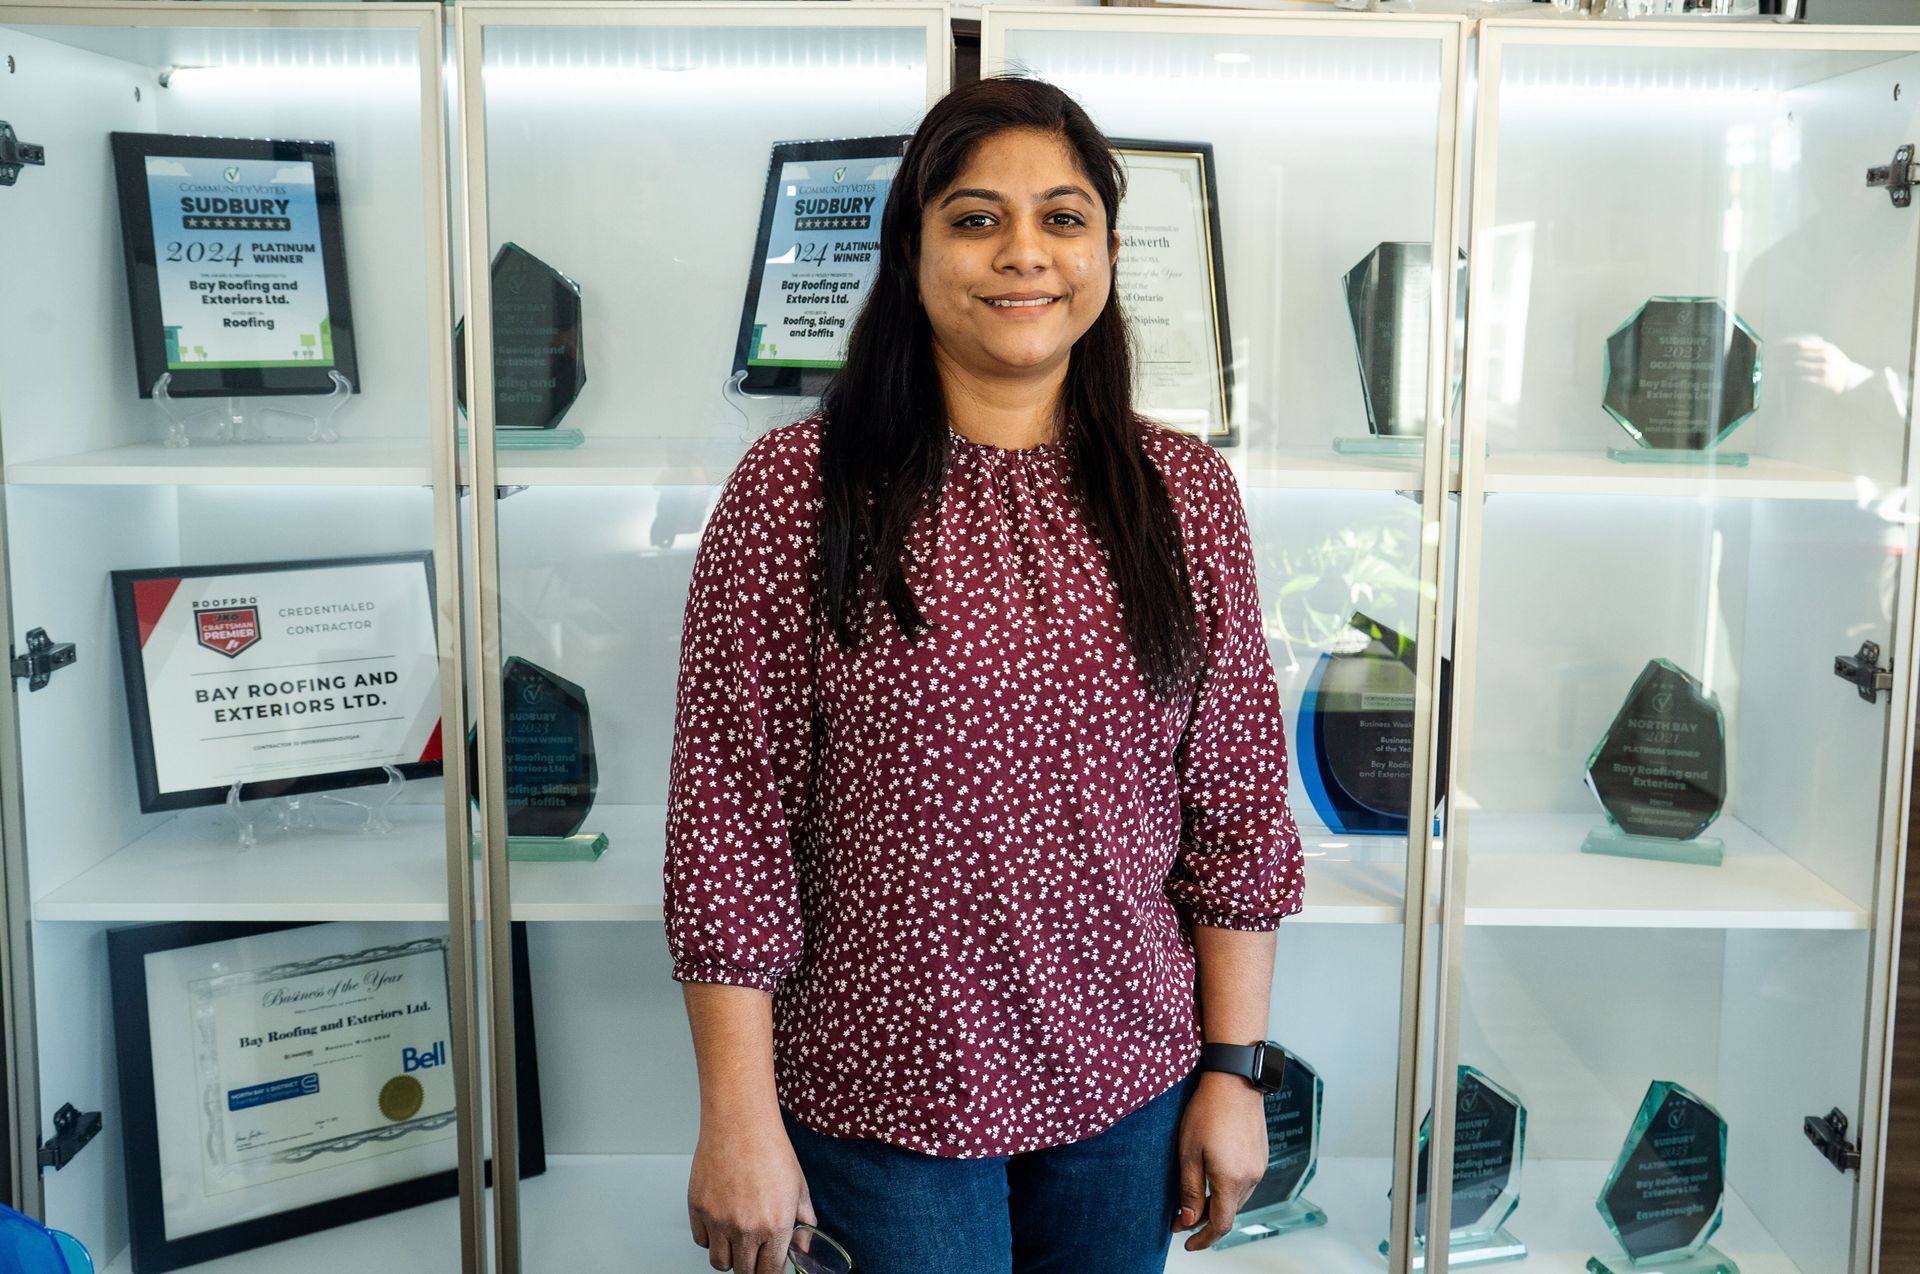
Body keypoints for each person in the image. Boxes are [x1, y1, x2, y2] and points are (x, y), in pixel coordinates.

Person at [663, 76, 1305, 1274]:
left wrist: (1233, 1070)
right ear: (911, 252)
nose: (1025, 254)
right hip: (879, 1095)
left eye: (1064, 218)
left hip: (1128, 1084)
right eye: (975, 219)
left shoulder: (1186, 497)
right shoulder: (795, 490)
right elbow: (729, 826)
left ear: (1108, 247)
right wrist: (737, 1115)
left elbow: (1235, 805)